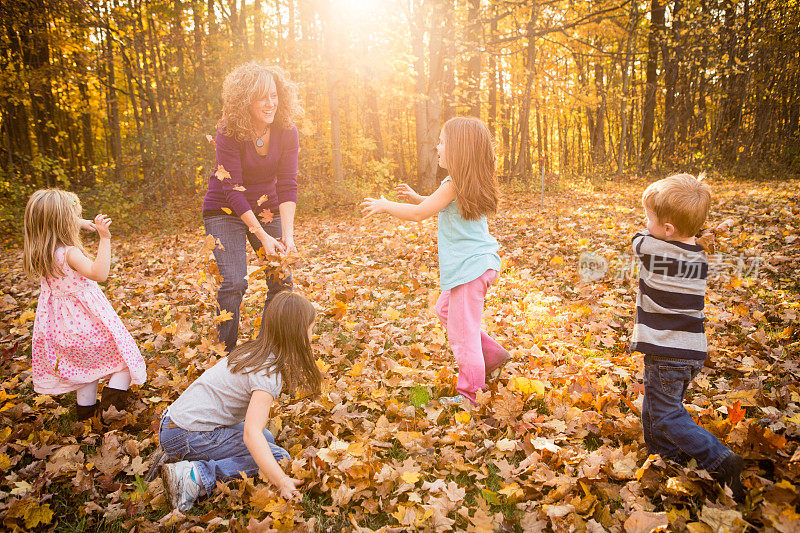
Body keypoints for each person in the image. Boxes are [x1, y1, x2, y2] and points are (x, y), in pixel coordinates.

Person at [360, 117, 510, 407]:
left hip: (470, 269)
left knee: (463, 334)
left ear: (458, 149)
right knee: (444, 308)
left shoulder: (454, 184)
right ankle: (492, 355)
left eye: (442, 141)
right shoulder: (465, 182)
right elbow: (434, 204)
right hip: (477, 265)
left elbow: (421, 214)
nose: (437, 147)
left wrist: (385, 205)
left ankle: (471, 395)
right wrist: (418, 197)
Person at [631, 174, 744, 502]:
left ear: (667, 230)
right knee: (656, 406)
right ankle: (663, 456)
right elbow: (683, 240)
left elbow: (637, 240)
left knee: (666, 412)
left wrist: (650, 230)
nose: (645, 224)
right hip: (689, 350)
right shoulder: (698, 256)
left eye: (649, 218)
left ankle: (720, 459)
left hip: (668, 352)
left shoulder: (652, 250)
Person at [158, 292, 322, 512]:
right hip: (186, 433)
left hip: (175, 423)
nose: (313, 335)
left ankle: (181, 457)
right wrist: (281, 480)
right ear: (297, 332)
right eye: (311, 329)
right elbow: (250, 434)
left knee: (267, 437)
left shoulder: (255, 351)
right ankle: (193, 476)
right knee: (278, 455)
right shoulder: (268, 373)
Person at [202, 62, 304, 354]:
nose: (270, 103)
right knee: (234, 282)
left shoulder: (287, 131)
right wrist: (261, 236)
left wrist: (287, 236)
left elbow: (287, 183)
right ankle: (225, 354)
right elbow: (232, 189)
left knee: (282, 280)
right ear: (246, 99)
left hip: (266, 208)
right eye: (262, 97)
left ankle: (265, 350)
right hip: (223, 209)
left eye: (274, 95)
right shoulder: (228, 131)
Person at [23, 189, 147, 420]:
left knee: (86, 370)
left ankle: (86, 415)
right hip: (87, 324)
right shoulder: (69, 253)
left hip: (61, 329)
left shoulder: (40, 251)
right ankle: (112, 412)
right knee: (123, 363)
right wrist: (105, 238)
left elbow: (48, 221)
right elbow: (99, 273)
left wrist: (79, 222)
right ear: (62, 222)